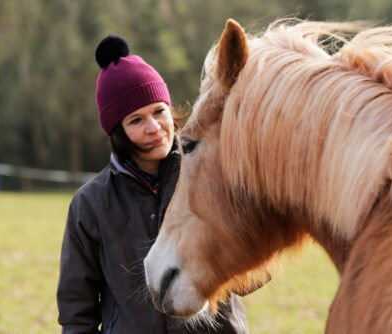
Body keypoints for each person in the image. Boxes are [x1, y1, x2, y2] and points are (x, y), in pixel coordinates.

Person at [57, 35, 249, 334]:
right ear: (117, 131)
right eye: (136, 120)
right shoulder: (90, 204)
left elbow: (255, 273)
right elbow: (76, 307)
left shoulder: (213, 175)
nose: (154, 127)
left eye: (159, 111)